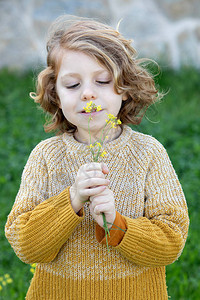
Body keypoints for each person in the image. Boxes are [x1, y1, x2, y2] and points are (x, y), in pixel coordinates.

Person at [5, 15, 189, 300]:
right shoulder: (46, 157)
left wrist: (117, 223)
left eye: (102, 81)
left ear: (125, 88)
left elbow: (171, 241)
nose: (88, 94)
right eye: (72, 85)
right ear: (55, 94)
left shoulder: (148, 154)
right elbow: (26, 245)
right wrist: (71, 200)